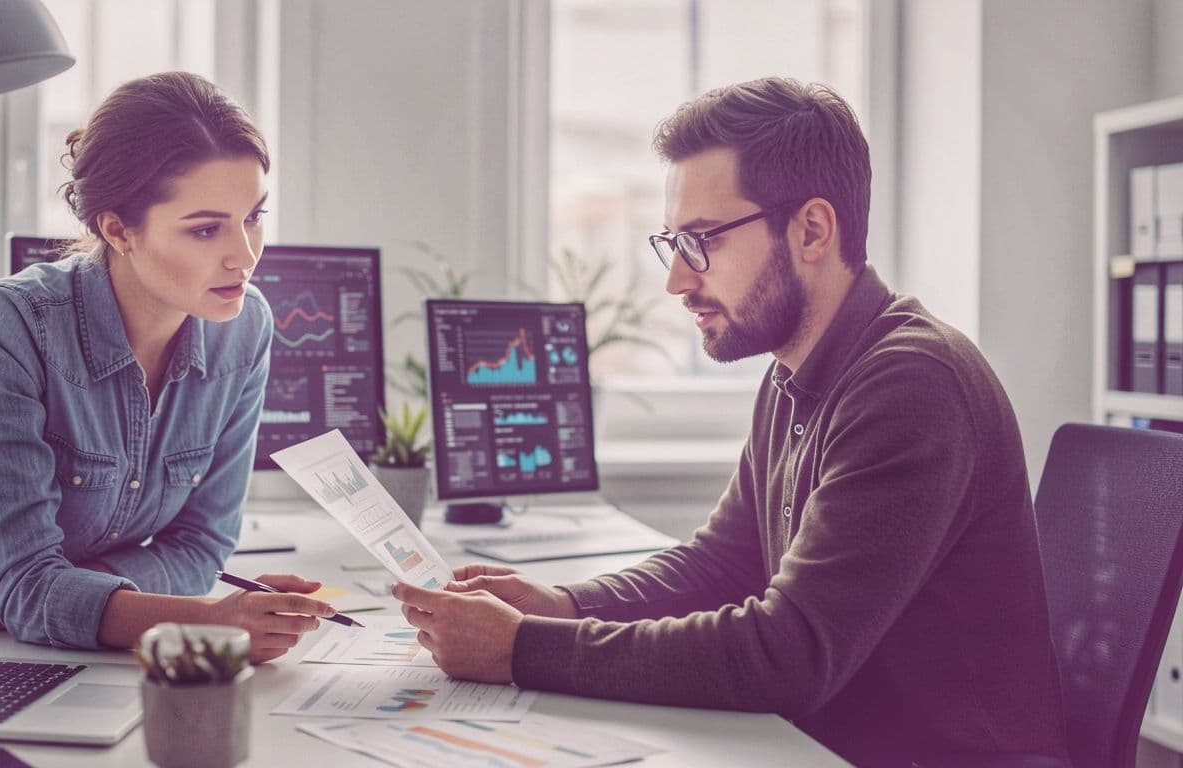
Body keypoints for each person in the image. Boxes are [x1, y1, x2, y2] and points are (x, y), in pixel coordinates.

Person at [393, 77, 1071, 766]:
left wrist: (520, 647)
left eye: (701, 241)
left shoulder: (913, 384)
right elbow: (721, 565)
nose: (677, 282)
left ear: (811, 229)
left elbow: (789, 655)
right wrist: (561, 605)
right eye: (674, 245)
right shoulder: (795, 372)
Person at [0, 71, 333, 656]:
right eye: (206, 229)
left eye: (254, 217)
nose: (245, 255)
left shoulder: (246, 326)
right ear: (117, 229)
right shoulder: (9, 324)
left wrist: (32, 596)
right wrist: (206, 620)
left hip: (6, 629)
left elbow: (202, 546)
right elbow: (31, 590)